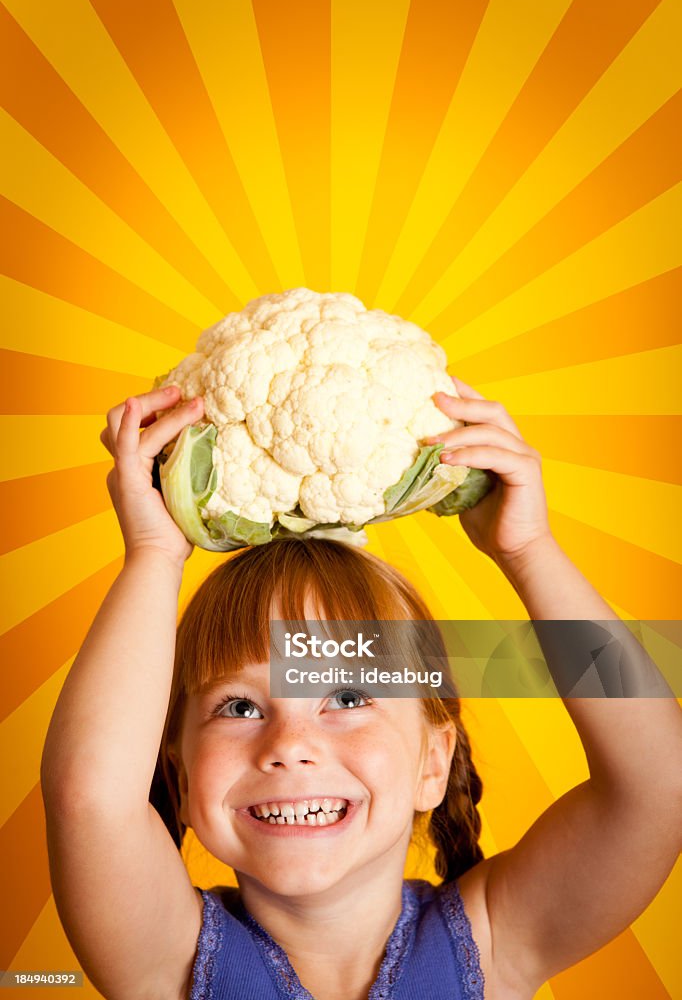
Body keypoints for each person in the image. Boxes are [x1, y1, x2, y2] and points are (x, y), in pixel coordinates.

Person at [41, 378, 682, 1000]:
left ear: (434, 762)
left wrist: (530, 550)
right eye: (239, 706)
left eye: (347, 699)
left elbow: (659, 782)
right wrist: (154, 554)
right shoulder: (165, 957)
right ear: (177, 772)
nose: (290, 745)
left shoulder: (496, 943)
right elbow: (89, 795)